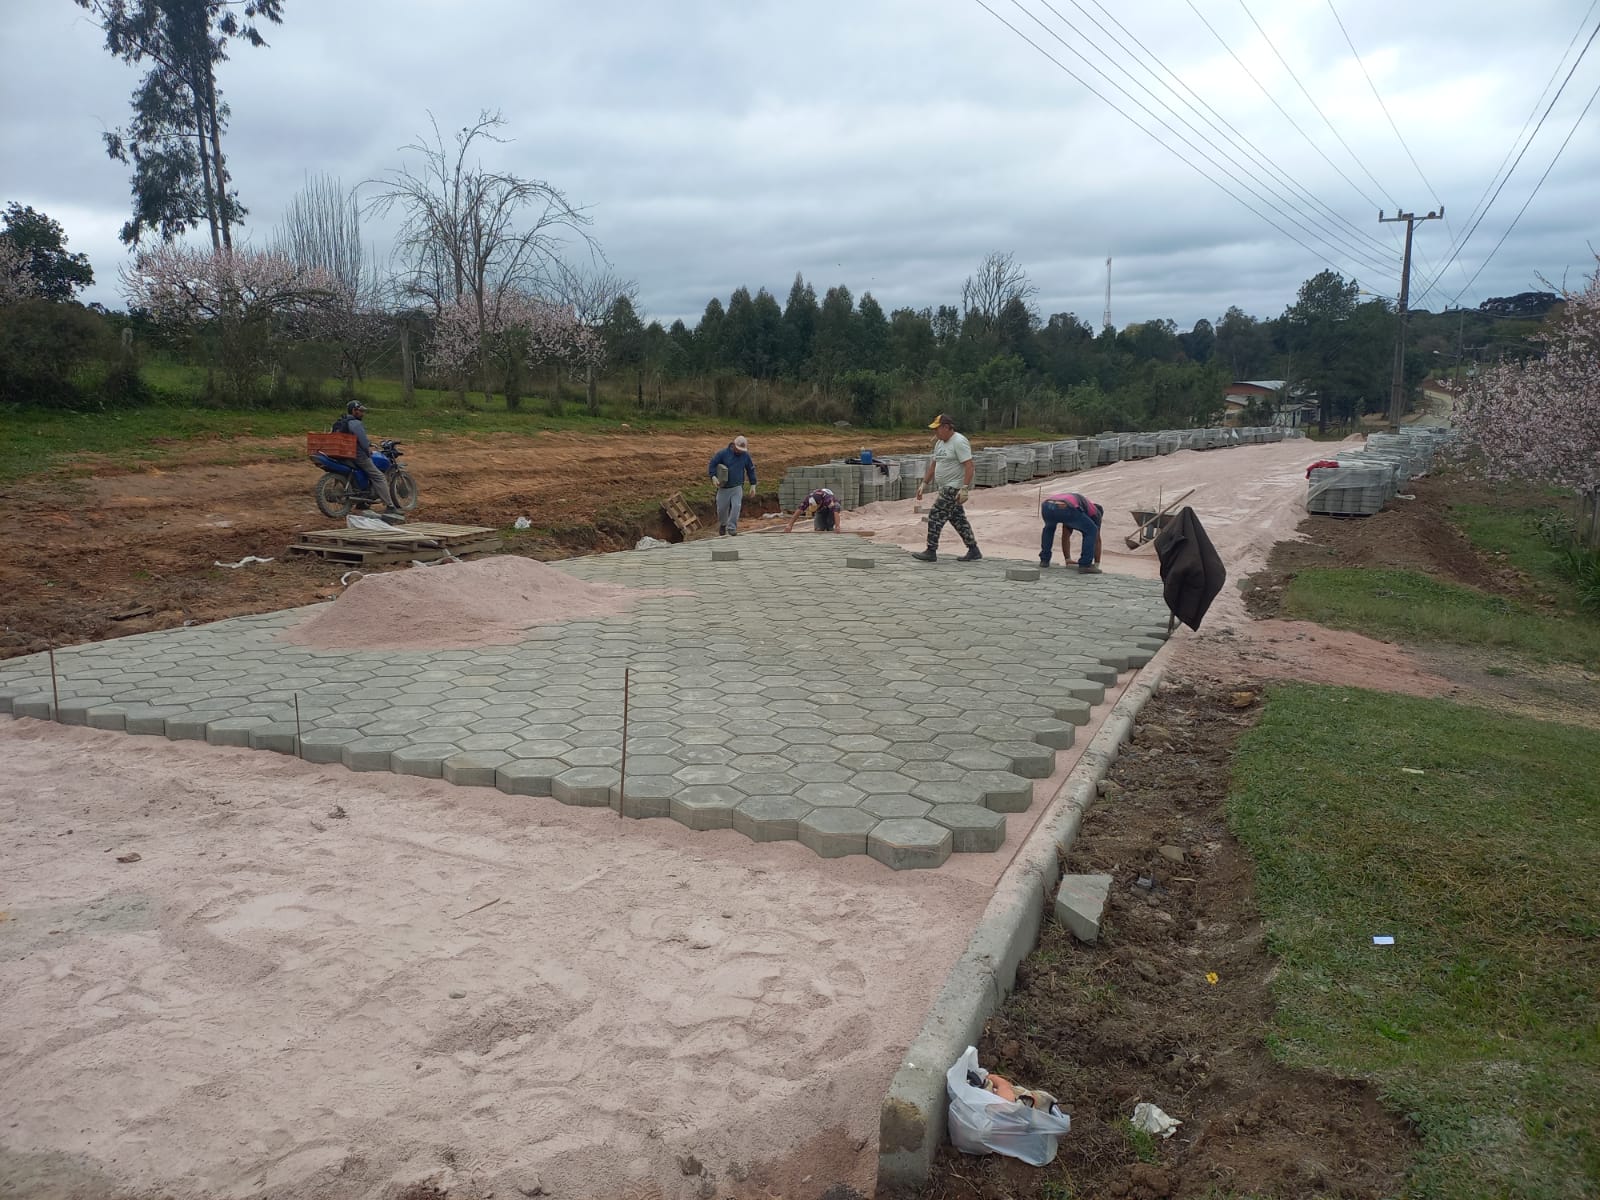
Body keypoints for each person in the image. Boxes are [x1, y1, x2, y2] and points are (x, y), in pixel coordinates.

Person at [912, 414, 981, 563]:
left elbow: (969, 466)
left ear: (946, 427)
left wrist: (964, 489)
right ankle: (973, 550)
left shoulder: (959, 442)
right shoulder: (940, 443)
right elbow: (934, 465)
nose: (935, 432)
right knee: (958, 520)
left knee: (935, 515)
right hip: (944, 487)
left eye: (937, 429)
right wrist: (924, 484)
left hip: (953, 488)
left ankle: (931, 550)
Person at [331, 399, 404, 523]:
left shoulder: (341, 422)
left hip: (342, 455)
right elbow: (363, 441)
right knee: (379, 476)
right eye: (360, 411)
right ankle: (390, 506)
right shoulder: (355, 423)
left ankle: (363, 502)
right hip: (357, 456)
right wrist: (368, 449)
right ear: (354, 411)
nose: (362, 413)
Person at [1039, 491, 1103, 573]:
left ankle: (1044, 560)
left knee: (1049, 528)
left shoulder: (1081, 506)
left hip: (1047, 505)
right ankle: (1085, 565)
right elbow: (1097, 540)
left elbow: (1065, 535)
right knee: (1092, 530)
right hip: (1066, 506)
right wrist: (1097, 565)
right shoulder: (1095, 513)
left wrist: (1068, 559)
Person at [708, 434, 756, 536]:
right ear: (733, 445)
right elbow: (712, 464)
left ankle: (732, 527)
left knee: (736, 506)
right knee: (721, 509)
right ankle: (723, 524)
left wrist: (753, 484)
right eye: (738, 449)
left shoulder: (745, 456)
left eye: (741, 450)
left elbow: (750, 469)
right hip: (724, 487)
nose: (739, 451)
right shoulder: (723, 454)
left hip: (737, 486)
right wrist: (713, 477)